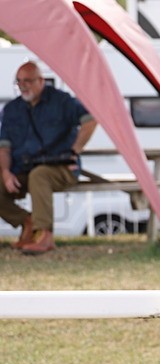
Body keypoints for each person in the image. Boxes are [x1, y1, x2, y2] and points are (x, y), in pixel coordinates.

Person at [0, 62, 97, 255]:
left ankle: (44, 235)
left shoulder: (62, 102)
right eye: (19, 81)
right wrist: (5, 171)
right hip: (23, 168)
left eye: (28, 81)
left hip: (60, 167)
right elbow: (4, 147)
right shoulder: (12, 110)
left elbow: (91, 120)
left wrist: (75, 151)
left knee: (40, 175)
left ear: (41, 80)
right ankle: (26, 222)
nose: (23, 86)